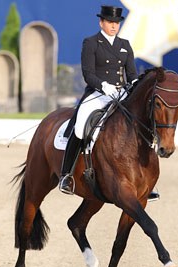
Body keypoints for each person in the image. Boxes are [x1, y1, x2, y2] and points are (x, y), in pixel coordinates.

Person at [59, 5, 159, 202]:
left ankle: (148, 182)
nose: (114, 26)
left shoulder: (125, 44)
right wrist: (103, 86)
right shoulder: (91, 43)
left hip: (121, 93)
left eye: (116, 23)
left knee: (145, 124)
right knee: (80, 127)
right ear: (101, 22)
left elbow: (130, 74)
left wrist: (135, 85)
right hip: (98, 93)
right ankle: (66, 175)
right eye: (110, 22)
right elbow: (88, 73)